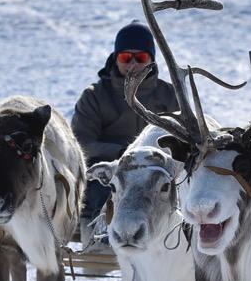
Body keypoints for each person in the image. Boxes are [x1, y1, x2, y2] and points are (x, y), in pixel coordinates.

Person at [72, 21, 179, 244]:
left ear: (151, 60)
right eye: (125, 57)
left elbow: (184, 137)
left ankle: (175, 236)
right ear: (115, 58)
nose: (132, 64)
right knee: (101, 186)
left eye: (140, 58)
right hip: (113, 166)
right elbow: (81, 143)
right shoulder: (95, 96)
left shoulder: (169, 94)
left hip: (156, 168)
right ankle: (97, 235)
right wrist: (122, 153)